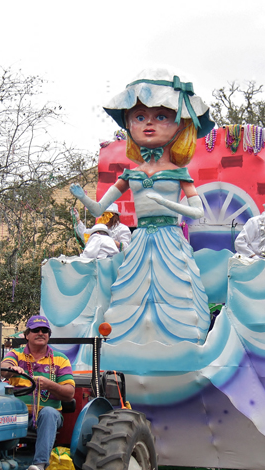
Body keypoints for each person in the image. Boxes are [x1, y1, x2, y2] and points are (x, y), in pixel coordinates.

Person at [70, 68, 213, 345]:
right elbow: (100, 210)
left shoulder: (179, 173)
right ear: (128, 124)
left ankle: (179, 345)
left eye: (161, 116)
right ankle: (127, 345)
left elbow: (198, 212)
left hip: (170, 240)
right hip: (140, 241)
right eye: (139, 117)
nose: (149, 123)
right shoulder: (131, 174)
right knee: (131, 295)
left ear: (180, 125)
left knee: (175, 292)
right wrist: (84, 199)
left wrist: (166, 203)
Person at [1, 315, 74, 470]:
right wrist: (12, 369)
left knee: (48, 413)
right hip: (18, 417)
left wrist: (50, 385)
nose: (40, 333)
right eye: (36, 330)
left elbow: (69, 393)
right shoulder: (16, 354)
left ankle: (39, 468)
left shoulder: (60, 359)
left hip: (48, 418)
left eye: (45, 331)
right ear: (27, 334)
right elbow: (3, 368)